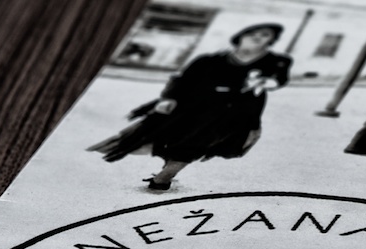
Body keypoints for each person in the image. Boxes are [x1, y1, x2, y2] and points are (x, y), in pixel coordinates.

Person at [88, 23, 291, 190]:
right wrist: (169, 98)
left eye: (265, 35)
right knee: (162, 138)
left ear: (270, 41)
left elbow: (278, 79)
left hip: (232, 114)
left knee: (194, 144)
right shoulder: (209, 60)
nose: (257, 37)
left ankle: (163, 179)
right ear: (241, 36)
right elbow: (182, 79)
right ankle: (163, 169)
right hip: (192, 106)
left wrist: (267, 82)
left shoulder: (276, 61)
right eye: (253, 33)